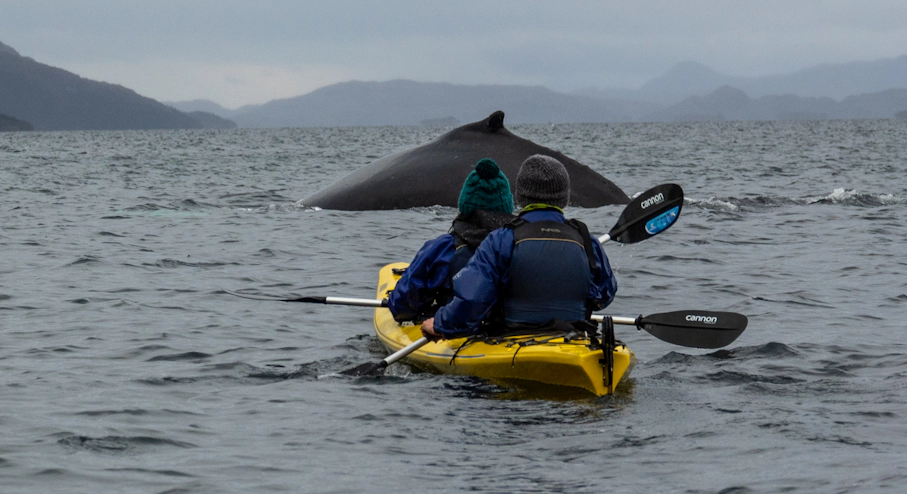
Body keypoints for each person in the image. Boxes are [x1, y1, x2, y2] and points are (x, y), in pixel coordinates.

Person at [421, 154, 617, 340]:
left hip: (513, 336)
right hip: (573, 334)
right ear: (564, 198)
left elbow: (472, 300)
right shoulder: (586, 240)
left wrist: (439, 324)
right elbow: (605, 295)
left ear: (521, 196)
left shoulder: (501, 239)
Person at [387, 158, 515, 322]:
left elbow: (403, 306)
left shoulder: (443, 248)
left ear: (464, 206)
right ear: (507, 207)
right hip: (513, 333)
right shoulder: (522, 245)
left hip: (455, 331)